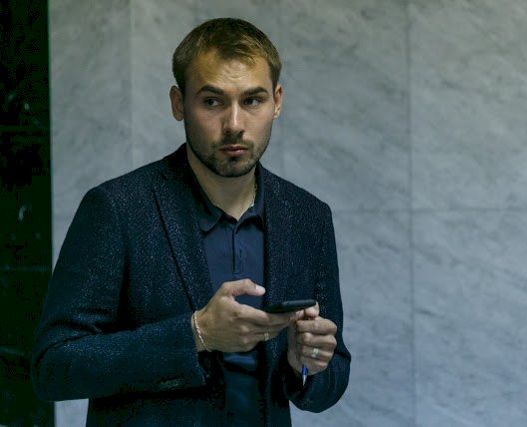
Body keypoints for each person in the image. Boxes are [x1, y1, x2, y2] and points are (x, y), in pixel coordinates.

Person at [31, 18, 350, 426]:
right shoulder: (117, 208)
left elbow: (330, 376)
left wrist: (307, 363)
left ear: (277, 101)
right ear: (178, 103)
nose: (234, 124)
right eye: (212, 102)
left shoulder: (308, 217)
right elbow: (53, 366)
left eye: (252, 101)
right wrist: (196, 334)